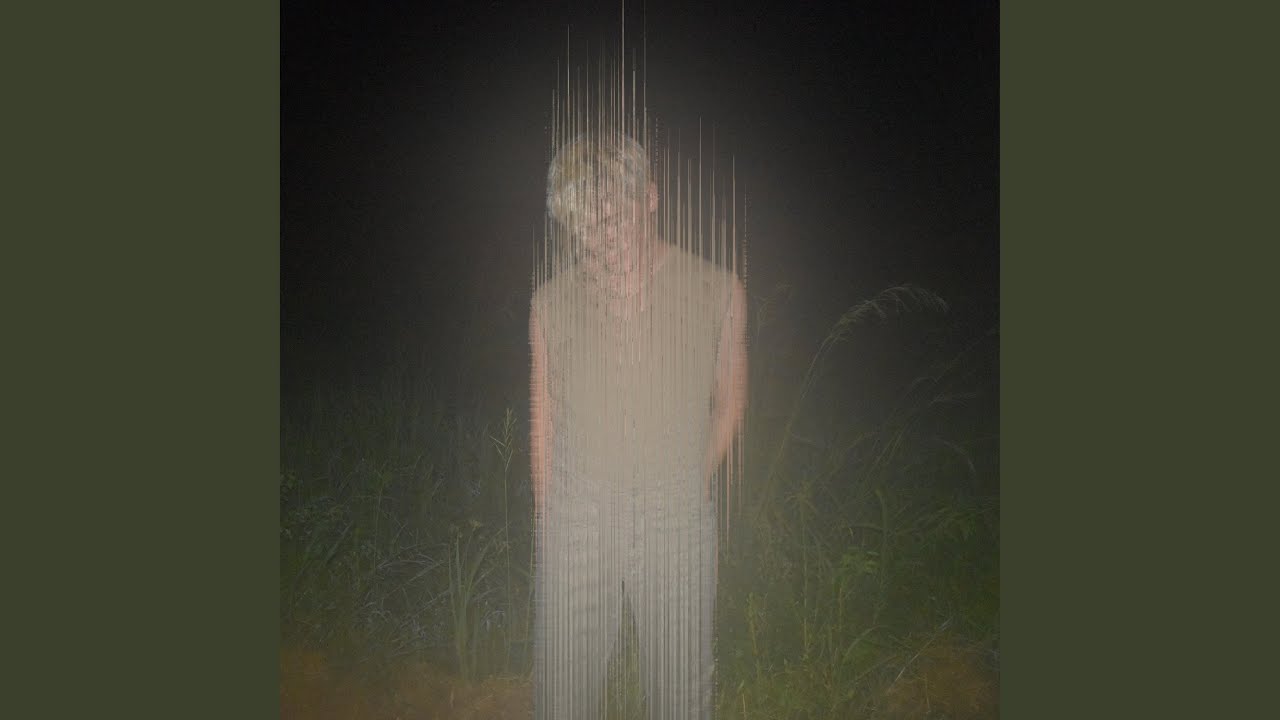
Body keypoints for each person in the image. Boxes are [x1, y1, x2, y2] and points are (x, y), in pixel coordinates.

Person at [530, 133, 747, 720]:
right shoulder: (550, 302)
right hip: (578, 515)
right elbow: (544, 418)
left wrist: (685, 480)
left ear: (650, 197)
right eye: (585, 227)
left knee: (680, 695)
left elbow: (729, 403)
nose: (601, 238)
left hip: (675, 515)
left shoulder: (718, 289)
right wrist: (550, 521)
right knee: (561, 694)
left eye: (613, 217)